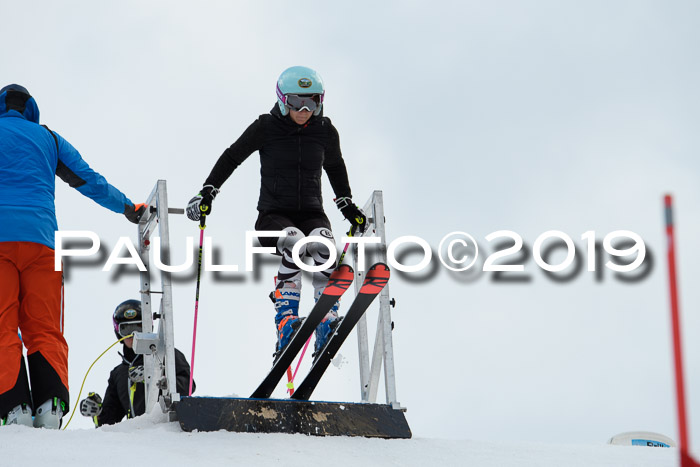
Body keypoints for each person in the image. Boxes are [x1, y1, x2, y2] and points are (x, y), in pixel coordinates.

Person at [186, 66, 367, 360]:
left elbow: (334, 166)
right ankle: (286, 323)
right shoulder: (266, 127)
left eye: (313, 102)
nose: (305, 110)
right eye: (297, 102)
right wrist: (208, 191)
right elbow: (232, 156)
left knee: (324, 247)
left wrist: (346, 203)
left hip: (312, 213)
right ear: (284, 100)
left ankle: (325, 321)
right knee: (295, 243)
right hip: (272, 217)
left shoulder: (325, 131)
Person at [0, 84, 146, 429]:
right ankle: (50, 407)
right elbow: (89, 181)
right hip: (43, 245)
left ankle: (13, 408)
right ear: (31, 110)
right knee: (45, 328)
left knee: (2, 325)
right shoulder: (48, 139)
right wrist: (128, 207)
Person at [79, 299, 195, 426]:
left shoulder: (165, 355)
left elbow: (189, 385)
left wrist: (154, 378)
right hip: (137, 438)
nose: (132, 335)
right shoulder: (118, 374)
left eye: (138, 328)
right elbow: (110, 420)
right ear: (118, 332)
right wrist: (98, 412)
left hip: (165, 431)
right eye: (126, 329)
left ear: (147, 327)